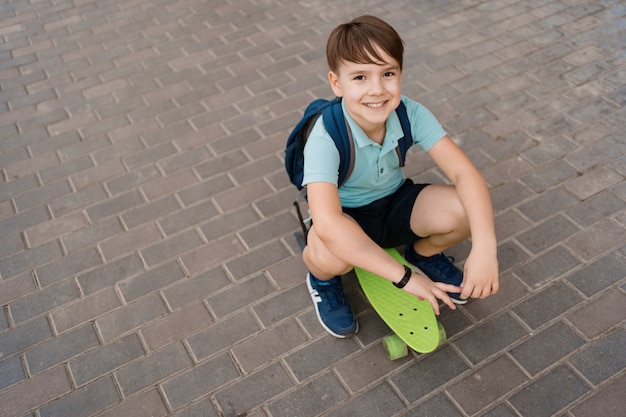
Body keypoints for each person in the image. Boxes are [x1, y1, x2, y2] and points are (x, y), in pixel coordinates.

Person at [302, 15, 499, 338]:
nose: (377, 90)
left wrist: (485, 247)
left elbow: (466, 174)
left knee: (465, 210)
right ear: (337, 83)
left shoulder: (409, 112)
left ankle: (421, 252)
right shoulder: (326, 136)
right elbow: (327, 223)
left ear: (400, 74)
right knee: (329, 252)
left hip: (394, 203)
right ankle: (322, 280)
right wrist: (406, 278)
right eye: (360, 77)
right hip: (347, 218)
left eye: (388, 73)